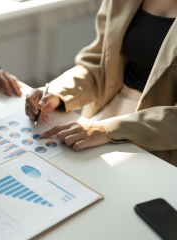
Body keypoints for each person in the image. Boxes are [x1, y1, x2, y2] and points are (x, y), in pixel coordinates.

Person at [25, 0, 177, 166]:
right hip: (107, 114)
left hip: (159, 134)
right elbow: (100, 61)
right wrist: (57, 92)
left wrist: (109, 129)